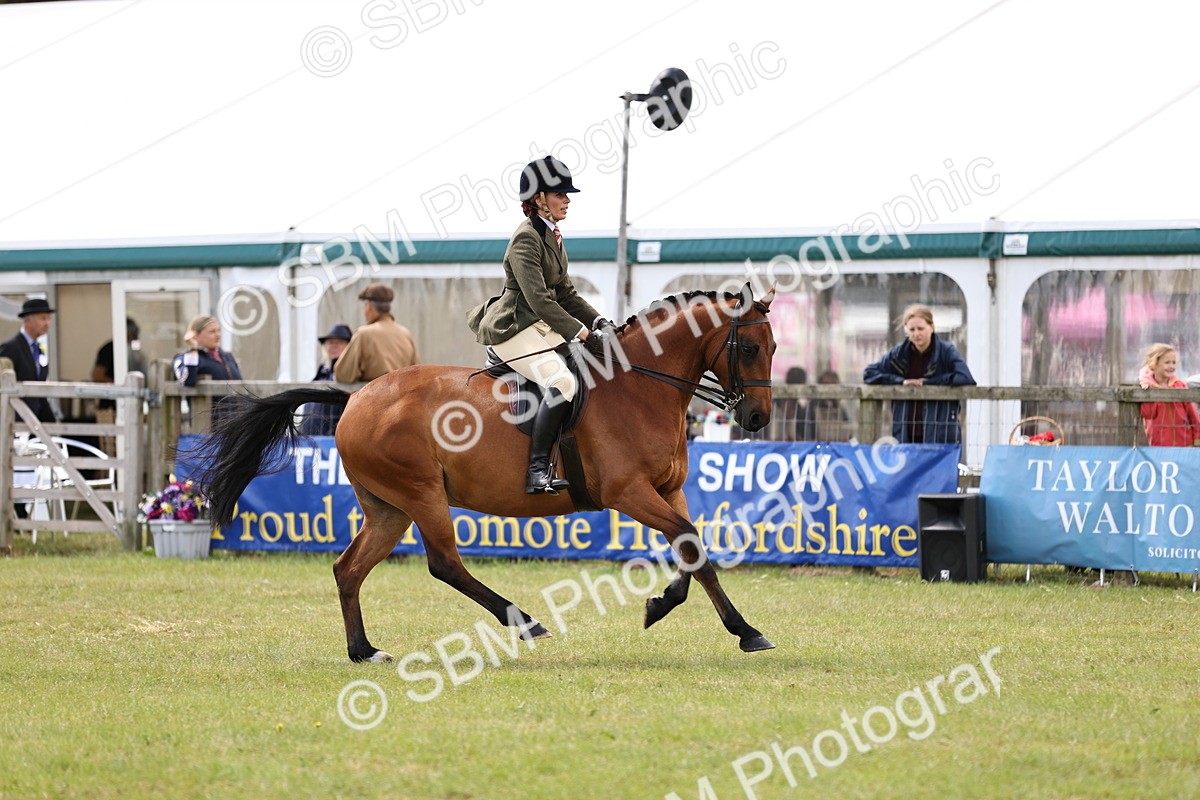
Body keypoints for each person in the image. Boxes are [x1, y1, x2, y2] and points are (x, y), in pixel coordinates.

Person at [466, 155, 611, 494]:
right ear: (539, 198)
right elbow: (540, 301)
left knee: (587, 368)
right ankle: (537, 471)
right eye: (560, 194)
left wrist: (600, 321)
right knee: (562, 381)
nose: (567, 200)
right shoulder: (526, 238)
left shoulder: (553, 236)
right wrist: (583, 333)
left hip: (539, 327)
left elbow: (566, 293)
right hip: (513, 329)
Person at [862, 304, 975, 444]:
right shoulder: (898, 353)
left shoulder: (947, 351)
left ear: (932, 327)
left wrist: (929, 383)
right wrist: (900, 381)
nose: (916, 334)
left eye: (920, 328)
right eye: (912, 330)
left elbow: (965, 378)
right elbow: (869, 374)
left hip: (940, 434)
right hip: (905, 434)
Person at [333, 284, 420, 383]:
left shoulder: (364, 334)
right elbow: (416, 373)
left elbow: (343, 374)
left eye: (364, 306)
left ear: (369, 307)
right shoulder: (406, 334)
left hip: (375, 392)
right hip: (403, 392)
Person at [0, 297, 57, 423]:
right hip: (18, 418)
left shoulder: (39, 349)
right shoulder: (11, 347)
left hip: (37, 418)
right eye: (43, 318)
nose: (47, 323)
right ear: (28, 320)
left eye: (49, 319)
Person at [92, 318, 145, 453]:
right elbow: (98, 376)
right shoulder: (109, 348)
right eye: (132, 332)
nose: (134, 336)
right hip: (110, 407)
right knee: (112, 448)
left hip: (128, 404)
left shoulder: (131, 351)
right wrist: (120, 386)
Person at [1138, 343, 1200, 447]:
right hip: (1159, 447)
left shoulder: (1180, 386)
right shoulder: (1147, 388)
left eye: (1174, 362)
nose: (1171, 366)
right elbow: (1148, 414)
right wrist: (1148, 389)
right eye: (1167, 362)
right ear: (1154, 363)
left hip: (1185, 445)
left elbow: (1194, 417)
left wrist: (1197, 440)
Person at [299, 323, 352, 436]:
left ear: (349, 347)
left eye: (339, 343)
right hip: (309, 436)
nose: (333, 346)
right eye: (330, 342)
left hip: (331, 438)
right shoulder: (322, 370)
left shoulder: (351, 372)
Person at [801, 369, 851, 441]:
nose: (829, 388)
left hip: (838, 445)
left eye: (833, 384)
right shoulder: (811, 407)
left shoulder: (840, 409)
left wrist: (855, 446)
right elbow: (805, 435)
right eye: (825, 384)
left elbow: (849, 433)